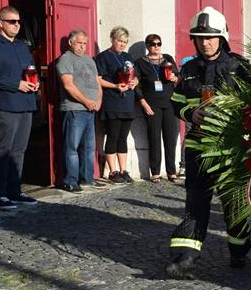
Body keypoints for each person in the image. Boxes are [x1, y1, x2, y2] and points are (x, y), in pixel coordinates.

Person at [165, 7, 251, 283]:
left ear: (222, 38)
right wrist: (190, 114)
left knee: (234, 207)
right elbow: (177, 101)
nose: (205, 42)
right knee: (196, 202)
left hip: (230, 148)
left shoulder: (241, 67)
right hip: (198, 146)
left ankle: (239, 250)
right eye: (200, 37)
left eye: (211, 37)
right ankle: (186, 259)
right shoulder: (189, 69)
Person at [0, 6, 39, 210]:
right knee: (2, 150)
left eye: (18, 22)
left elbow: (31, 69)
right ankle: (0, 193)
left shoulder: (23, 47)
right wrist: (16, 84)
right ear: (0, 23)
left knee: (19, 151)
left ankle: (15, 190)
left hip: (25, 104)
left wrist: (35, 82)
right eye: (12, 21)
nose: (16, 25)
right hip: (5, 104)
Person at [56, 29, 102, 193]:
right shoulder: (65, 59)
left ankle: (87, 178)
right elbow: (68, 85)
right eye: (79, 43)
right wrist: (86, 101)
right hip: (75, 109)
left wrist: (98, 101)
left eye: (85, 44)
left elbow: (98, 82)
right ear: (70, 43)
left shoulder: (89, 59)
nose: (83, 47)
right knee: (72, 146)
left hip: (91, 109)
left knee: (89, 147)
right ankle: (70, 180)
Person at [94, 26, 139, 184]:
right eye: (120, 41)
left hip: (127, 102)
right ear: (112, 39)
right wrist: (114, 86)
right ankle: (112, 172)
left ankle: (123, 170)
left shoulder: (128, 56)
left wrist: (134, 82)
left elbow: (136, 76)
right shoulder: (103, 57)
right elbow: (98, 79)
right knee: (112, 136)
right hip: (112, 101)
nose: (122, 44)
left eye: (125, 42)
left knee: (123, 137)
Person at [134, 33, 179, 183]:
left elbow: (178, 76)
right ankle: (155, 172)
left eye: (159, 44)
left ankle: (171, 171)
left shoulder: (168, 59)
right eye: (153, 44)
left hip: (170, 103)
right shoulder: (140, 62)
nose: (157, 47)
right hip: (152, 104)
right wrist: (143, 102)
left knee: (170, 138)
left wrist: (175, 78)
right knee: (154, 138)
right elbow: (137, 84)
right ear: (147, 46)